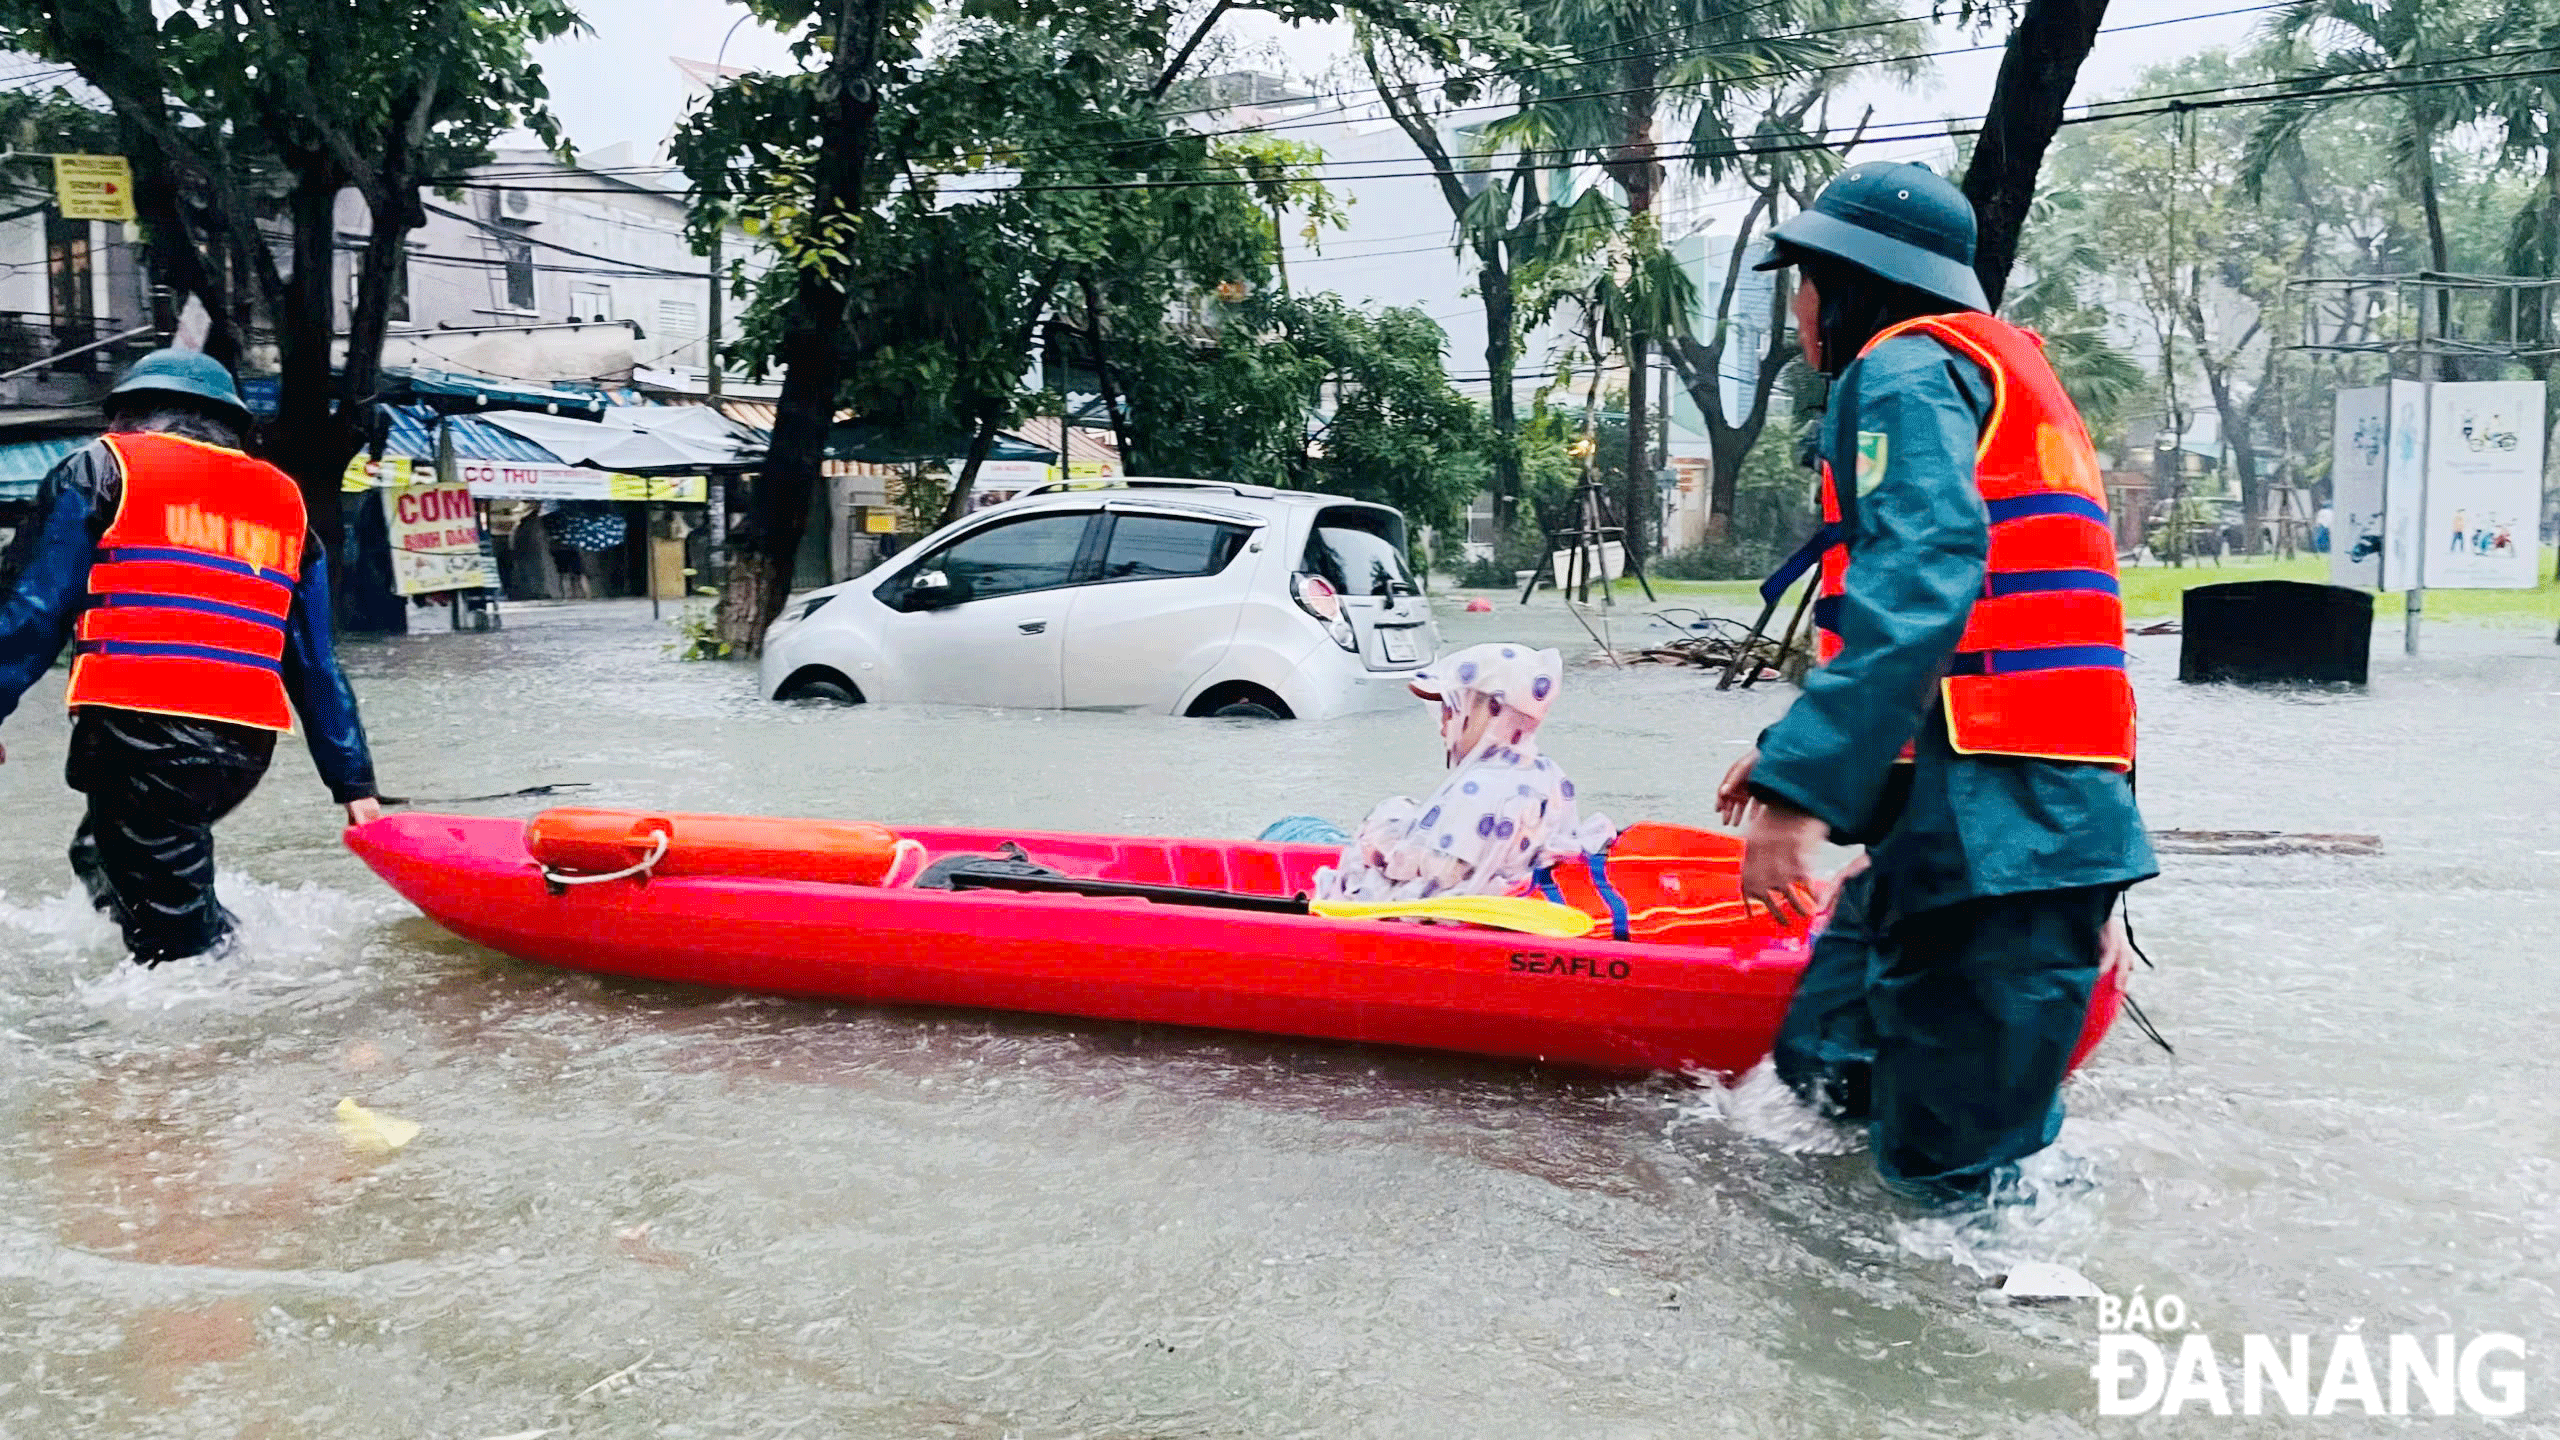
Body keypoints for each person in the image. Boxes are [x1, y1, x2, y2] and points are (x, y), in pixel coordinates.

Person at [1726, 162, 2157, 1204]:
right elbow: (2043, 641)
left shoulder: (1905, 370)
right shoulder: (2006, 376)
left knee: (1951, 1175)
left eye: (1804, 286)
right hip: (1998, 823)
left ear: (1851, 283)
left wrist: (1795, 798)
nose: (1797, 316)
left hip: (2000, 838)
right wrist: (1795, 755)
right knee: (1821, 1073)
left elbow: (1920, 584)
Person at [0, 349, 381, 966]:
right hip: (243, 748)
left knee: (175, 940)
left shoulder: (102, 468)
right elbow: (314, 663)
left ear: (127, 414)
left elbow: (35, 607)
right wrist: (353, 782)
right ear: (230, 424)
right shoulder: (286, 501)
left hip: (142, 729)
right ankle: (219, 952)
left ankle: (228, 1018)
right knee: (105, 856)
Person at [1312, 643, 1613, 902]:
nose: (1443, 723)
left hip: (1463, 908)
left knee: (1309, 828)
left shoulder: (1480, 787)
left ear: (1487, 711)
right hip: (1518, 893)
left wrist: (1380, 841)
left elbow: (1445, 873)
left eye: (1451, 709)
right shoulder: (1550, 774)